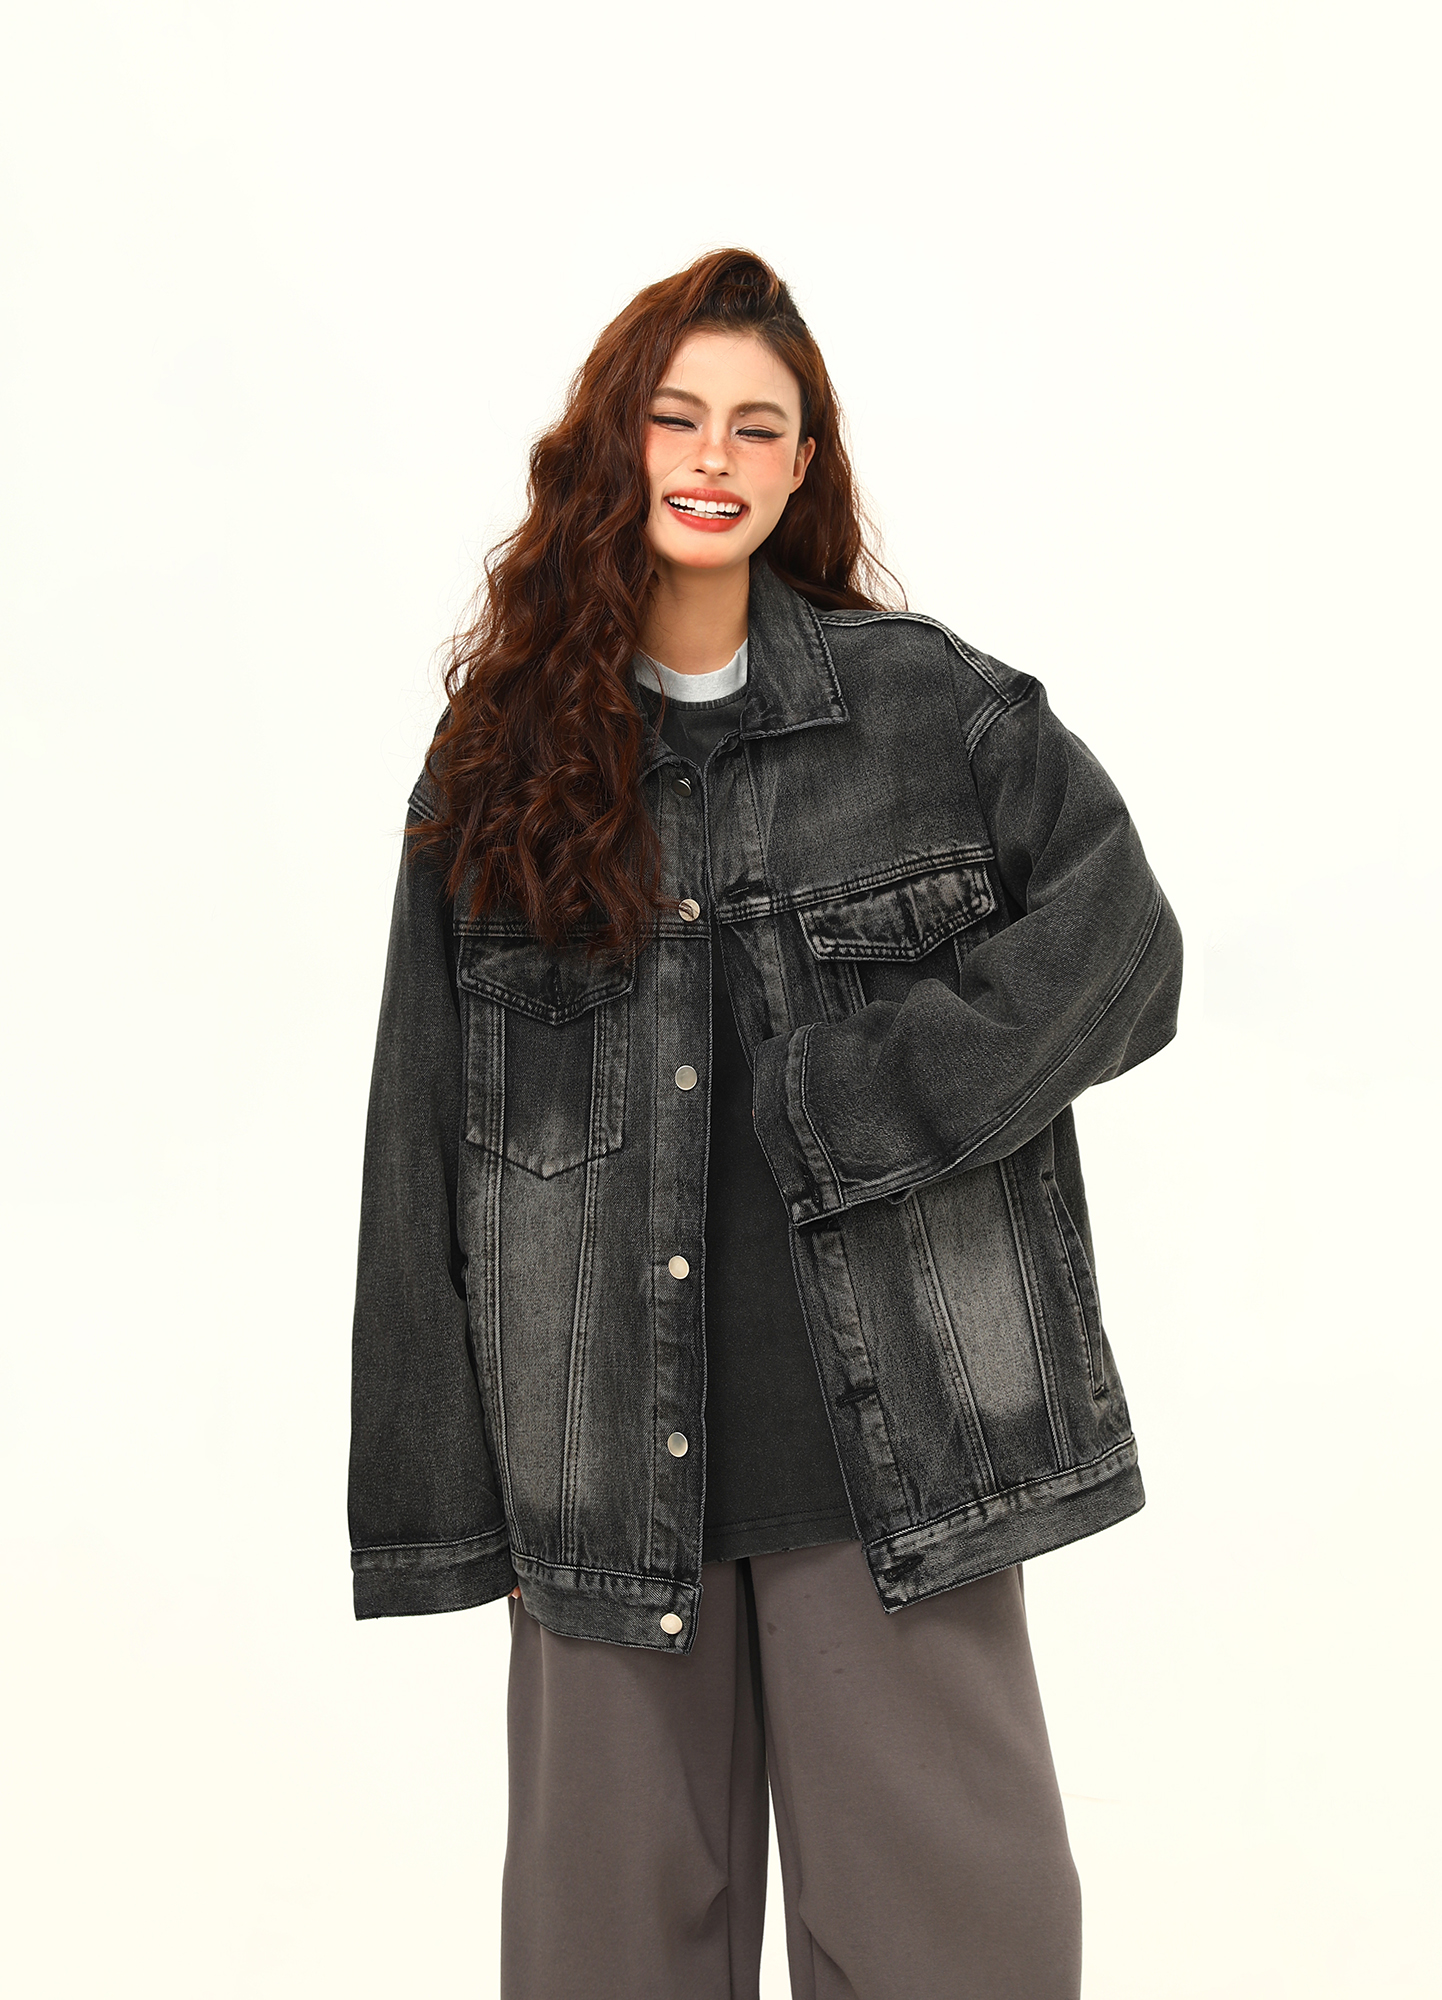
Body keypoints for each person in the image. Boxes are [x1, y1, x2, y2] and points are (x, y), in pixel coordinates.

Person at [348, 247, 1182, 2000]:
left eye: (755, 425)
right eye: (678, 418)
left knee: (964, 1958)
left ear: (804, 464)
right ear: (618, 443)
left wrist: (855, 1098)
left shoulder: (929, 712)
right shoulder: (500, 764)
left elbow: (1124, 947)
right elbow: (417, 1138)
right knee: (605, 1968)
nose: (713, 456)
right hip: (597, 1486)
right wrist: (447, 1510)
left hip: (898, 1472)